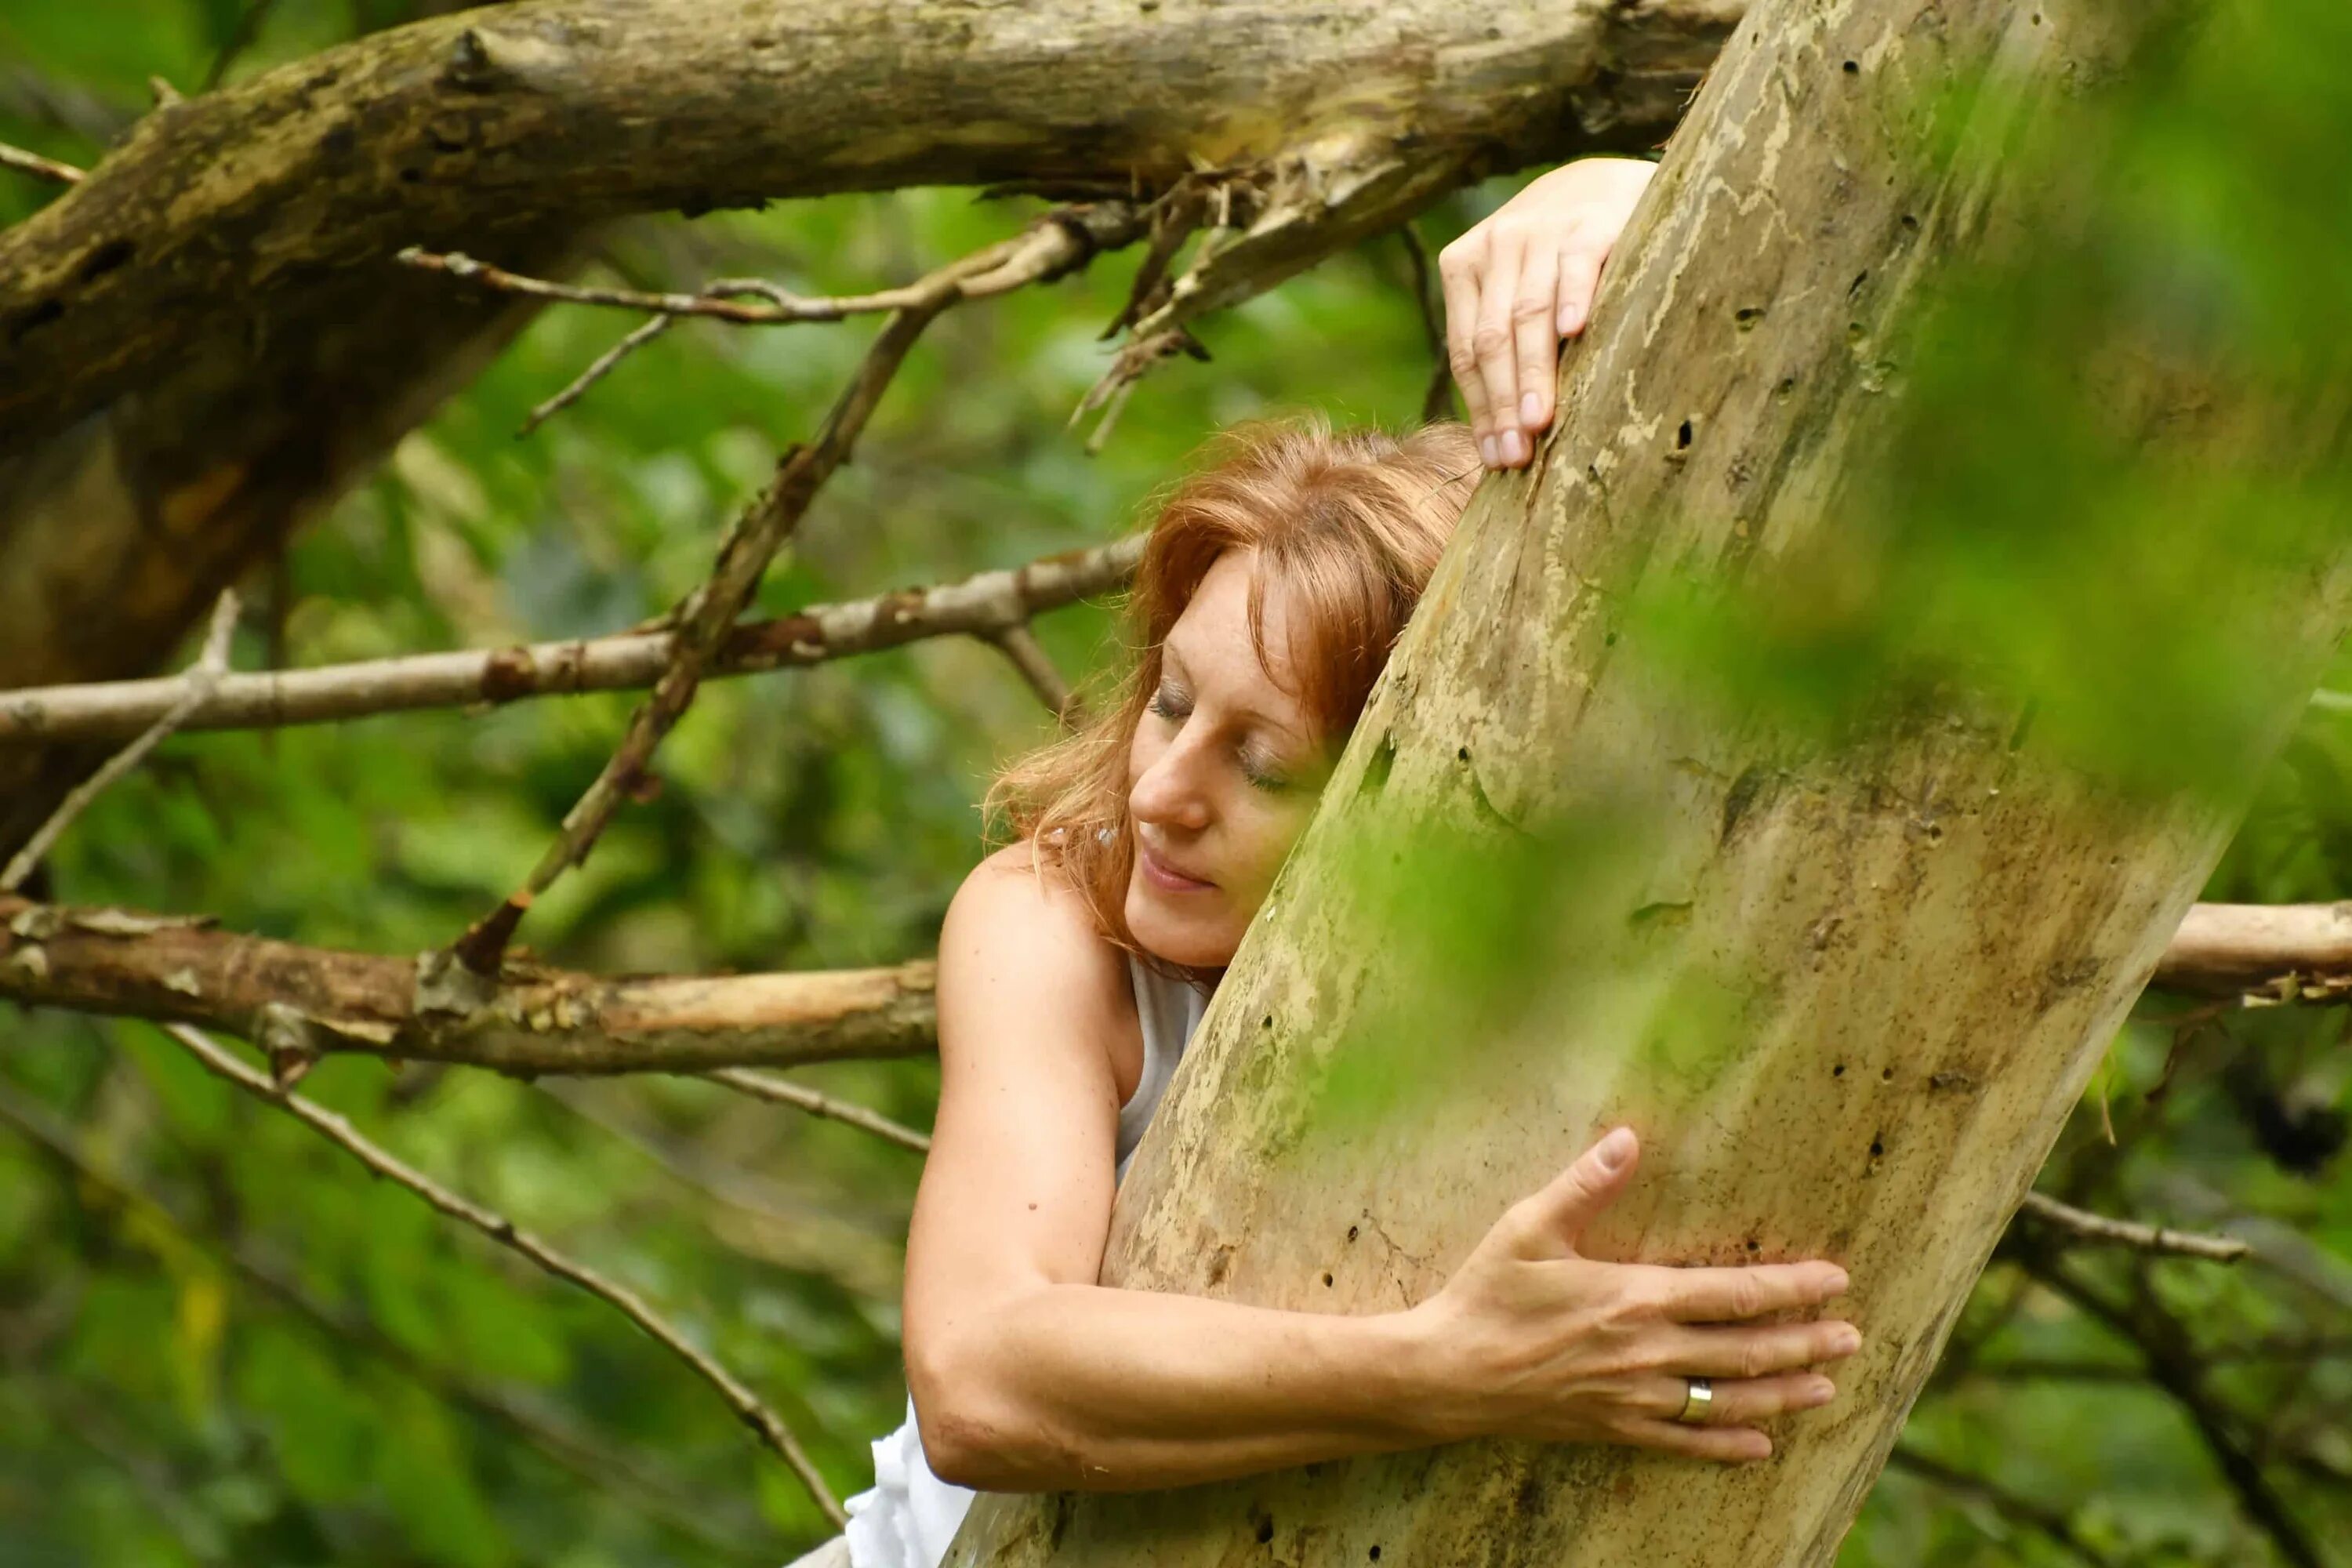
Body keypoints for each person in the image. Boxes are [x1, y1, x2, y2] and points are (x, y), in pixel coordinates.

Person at [807, 158, 1863, 1568]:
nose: (1162, 791)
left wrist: (1625, 187)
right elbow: (982, 1376)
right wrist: (1448, 1369)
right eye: (1173, 704)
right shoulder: (1048, 916)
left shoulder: (1578, 951)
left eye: (1265, 766)